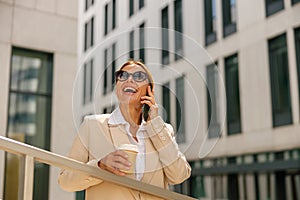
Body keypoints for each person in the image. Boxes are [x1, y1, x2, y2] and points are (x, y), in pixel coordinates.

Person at [58, 60, 191, 200]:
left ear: (149, 90)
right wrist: (99, 166)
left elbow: (179, 176)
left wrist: (155, 123)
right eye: (123, 75)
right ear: (117, 87)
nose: (129, 79)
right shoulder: (92, 125)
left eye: (138, 76)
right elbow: (65, 181)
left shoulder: (162, 131)